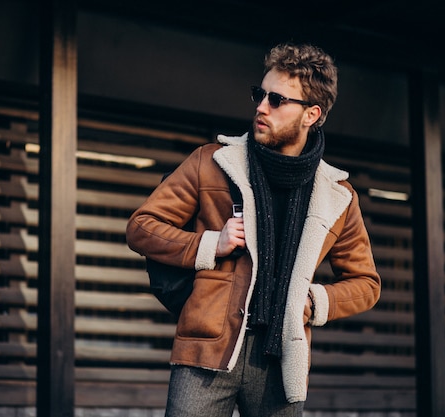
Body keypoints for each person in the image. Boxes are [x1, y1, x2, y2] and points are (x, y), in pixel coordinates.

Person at [126, 43, 381, 417]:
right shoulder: (211, 162)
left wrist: (312, 304)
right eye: (259, 94)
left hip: (280, 360)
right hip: (207, 349)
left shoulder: (337, 195)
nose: (261, 107)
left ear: (311, 114)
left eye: (277, 99)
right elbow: (141, 227)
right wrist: (211, 243)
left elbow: (366, 283)